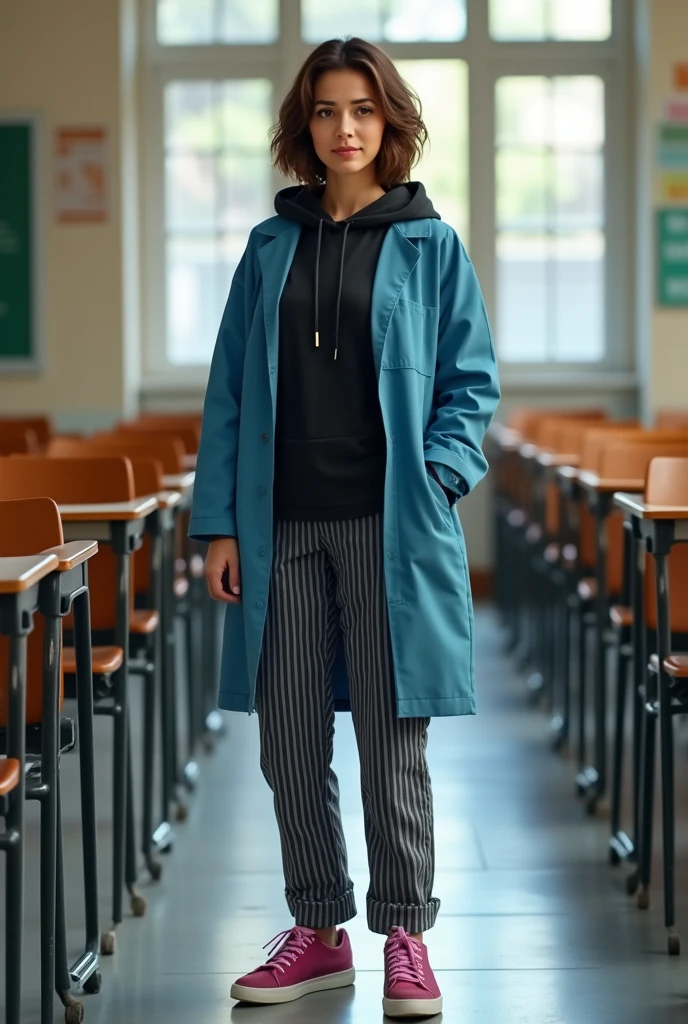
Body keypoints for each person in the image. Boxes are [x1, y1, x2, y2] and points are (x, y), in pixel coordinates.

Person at [188, 35, 500, 1019]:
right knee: (286, 740)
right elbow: (229, 392)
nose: (345, 128)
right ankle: (317, 931)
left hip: (386, 529)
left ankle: (404, 932)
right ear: (304, 127)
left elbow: (471, 386)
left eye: (361, 109)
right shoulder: (268, 247)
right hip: (279, 526)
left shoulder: (429, 243)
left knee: (388, 740)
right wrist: (218, 527)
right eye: (326, 110)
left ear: (390, 121)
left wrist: (437, 477)